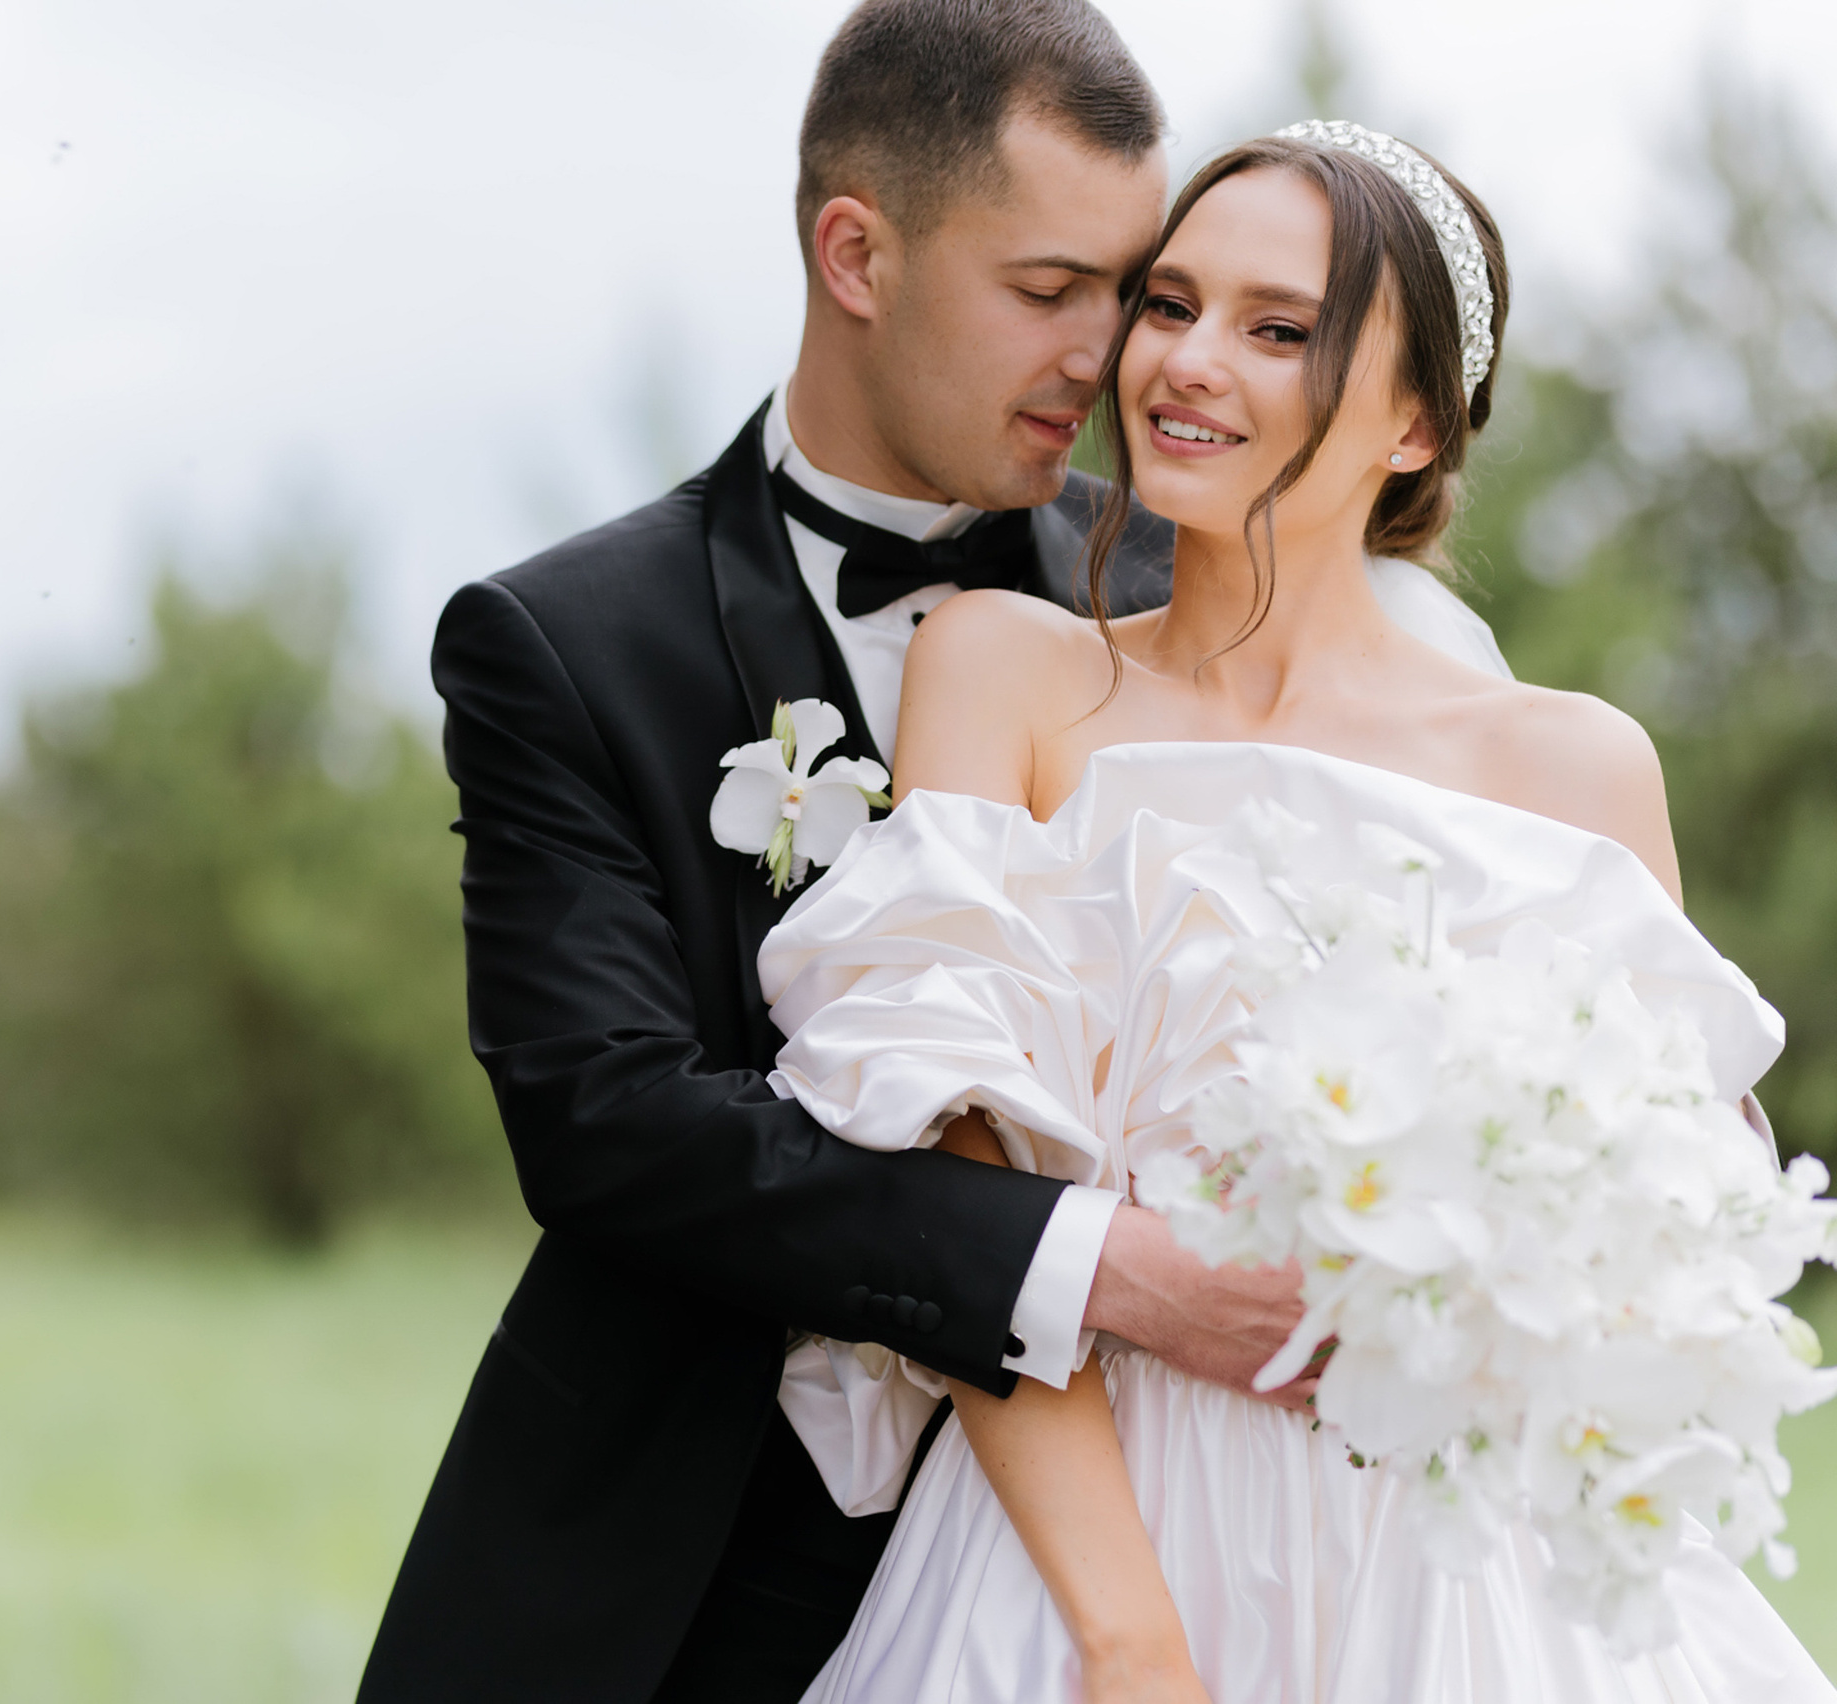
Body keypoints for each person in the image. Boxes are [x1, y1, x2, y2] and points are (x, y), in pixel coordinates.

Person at [358, 5, 1510, 1699]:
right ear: (857, 252)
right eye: (1050, 291)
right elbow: (610, 1120)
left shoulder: (1164, 618)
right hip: (675, 1559)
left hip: (1121, 1559)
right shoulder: (566, 642)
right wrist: (1098, 1266)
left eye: (1132, 291)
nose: (1109, 355)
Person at [764, 123, 1837, 1701]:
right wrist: (1127, 1642)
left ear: (1414, 423)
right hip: (1082, 1551)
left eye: (1279, 331)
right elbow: (960, 1183)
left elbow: (1653, 1253)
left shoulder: (1573, 767)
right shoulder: (1002, 670)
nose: (1189, 362)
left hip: (1468, 1582)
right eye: (1170, 303)